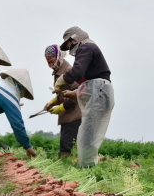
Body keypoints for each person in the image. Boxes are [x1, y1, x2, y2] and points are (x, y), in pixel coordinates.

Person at [53, 27, 114, 168]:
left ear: (74, 39)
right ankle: (89, 166)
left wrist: (62, 79)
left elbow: (77, 72)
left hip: (99, 91)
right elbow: (88, 82)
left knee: (87, 134)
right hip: (102, 91)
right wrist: (72, 93)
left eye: (69, 45)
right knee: (91, 134)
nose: (69, 49)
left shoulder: (85, 47)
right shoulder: (91, 52)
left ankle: (87, 168)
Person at [42, 45, 82, 158]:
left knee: (67, 147)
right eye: (48, 62)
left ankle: (68, 169)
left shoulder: (69, 71)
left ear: (58, 57)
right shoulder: (57, 71)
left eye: (52, 61)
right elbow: (62, 93)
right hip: (67, 116)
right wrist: (54, 101)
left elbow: (77, 95)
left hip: (74, 115)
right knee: (65, 144)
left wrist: (60, 108)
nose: (50, 64)